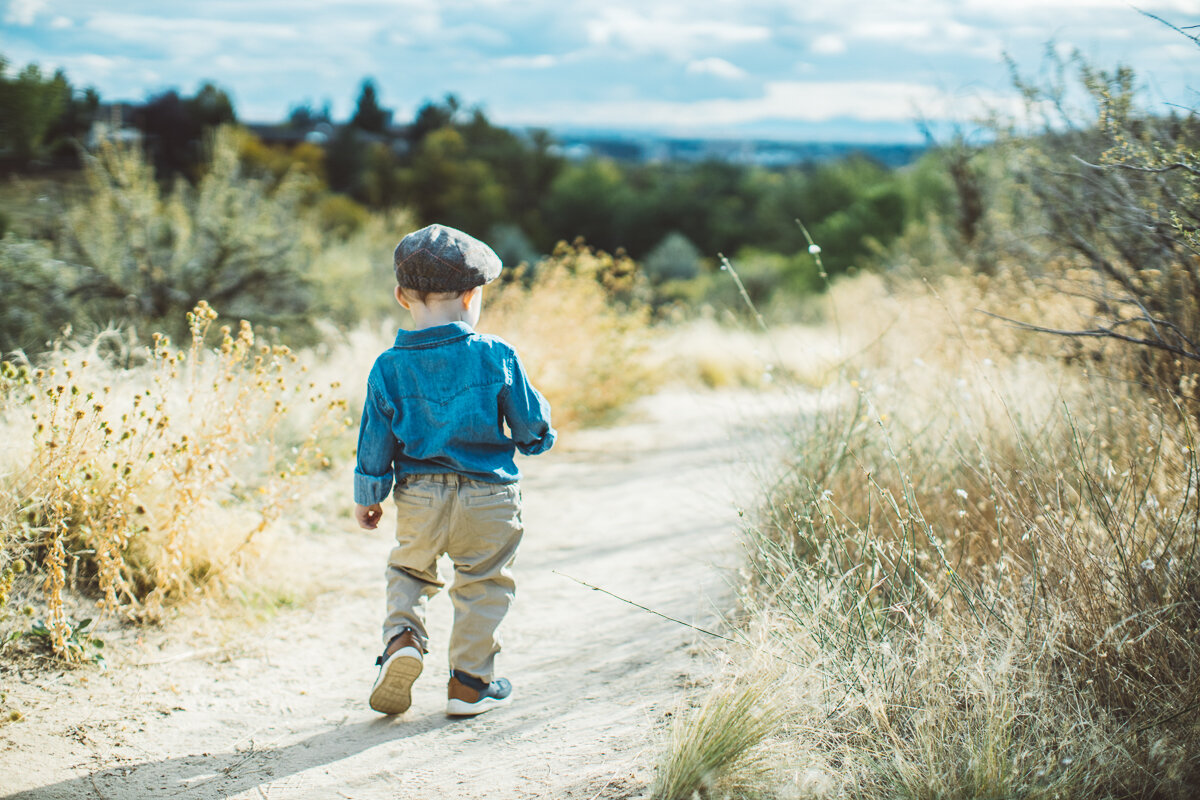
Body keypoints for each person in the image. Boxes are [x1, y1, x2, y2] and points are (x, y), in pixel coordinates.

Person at [353, 224, 556, 717]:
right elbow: (532, 428)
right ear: (471, 296)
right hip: (489, 496)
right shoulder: (496, 354)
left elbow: (374, 439)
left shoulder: (387, 366)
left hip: (420, 495)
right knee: (483, 582)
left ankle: (402, 638)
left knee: (409, 569)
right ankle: (469, 683)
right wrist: (535, 438)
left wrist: (369, 494)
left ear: (403, 296)